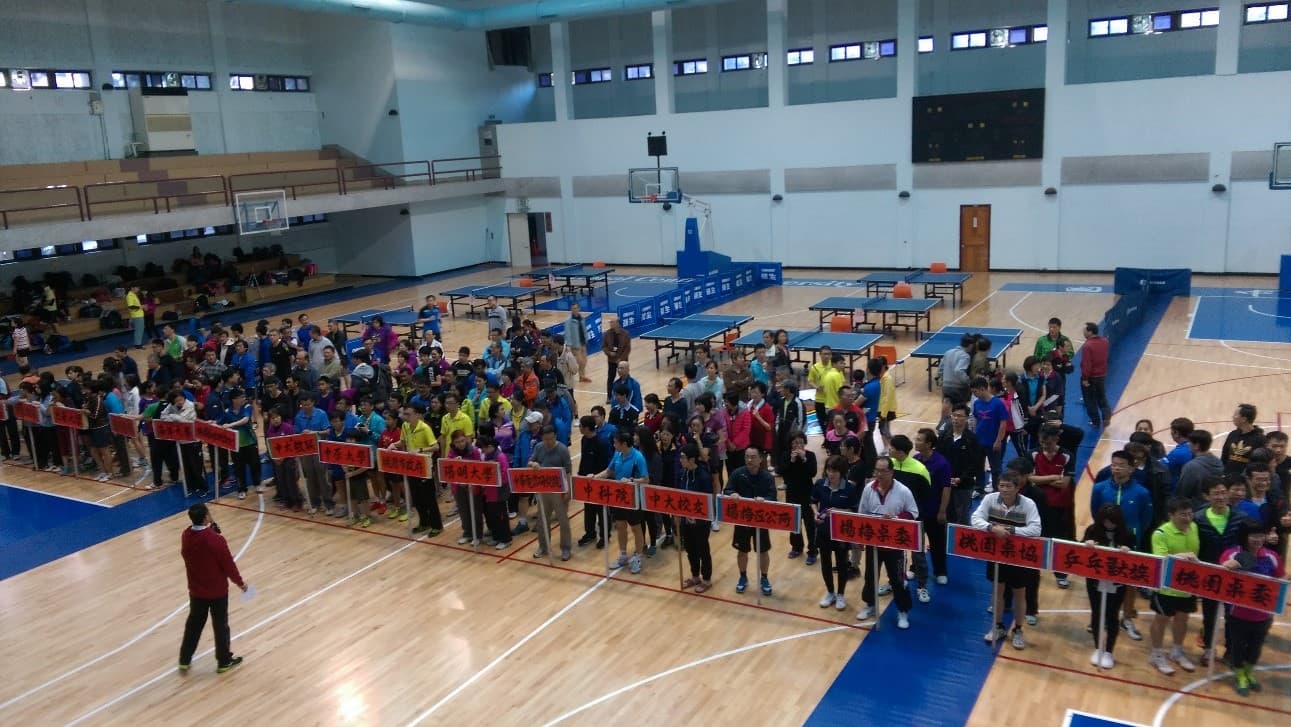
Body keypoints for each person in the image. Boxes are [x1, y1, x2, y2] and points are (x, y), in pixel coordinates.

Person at [973, 469, 1042, 649]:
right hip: (996, 554)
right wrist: (991, 528)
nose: (1004, 489)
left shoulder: (1028, 504)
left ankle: (1018, 629)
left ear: (1017, 488)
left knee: (1019, 593)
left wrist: (1011, 531)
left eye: (1008, 486)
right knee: (998, 591)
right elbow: (975, 518)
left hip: (1018, 556)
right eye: (1001, 485)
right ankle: (997, 626)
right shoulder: (990, 499)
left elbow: (1036, 529)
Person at [178, 503, 248, 674]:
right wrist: (240, 583)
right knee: (220, 626)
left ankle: (184, 659)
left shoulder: (186, 535)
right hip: (217, 591)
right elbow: (228, 565)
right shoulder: (215, 540)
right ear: (205, 517)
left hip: (196, 590)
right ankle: (224, 661)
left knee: (193, 625)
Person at [1219, 521, 1284, 696]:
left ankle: (1249, 672)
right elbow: (1220, 575)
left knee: (1256, 647)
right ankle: (1240, 675)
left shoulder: (1272, 556)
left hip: (1263, 614)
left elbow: (1280, 579)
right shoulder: (1231, 554)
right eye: (1253, 535)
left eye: (1261, 535)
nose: (1258, 539)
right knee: (1238, 646)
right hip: (1237, 613)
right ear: (1244, 536)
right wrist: (1227, 567)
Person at [856, 456, 918, 630]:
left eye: (883, 471)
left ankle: (903, 610)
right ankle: (870, 604)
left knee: (897, 579)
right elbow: (862, 513)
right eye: (877, 470)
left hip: (895, 545)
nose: (879, 474)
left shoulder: (903, 491)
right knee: (870, 576)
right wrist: (860, 540)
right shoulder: (868, 489)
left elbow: (914, 513)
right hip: (874, 543)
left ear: (892, 472)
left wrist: (897, 518)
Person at [1194, 478, 1246, 667]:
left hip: (1234, 576)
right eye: (1216, 493)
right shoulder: (1198, 518)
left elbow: (1248, 548)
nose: (1221, 497)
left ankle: (1231, 650)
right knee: (1209, 614)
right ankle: (1209, 649)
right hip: (1210, 576)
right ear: (1206, 496)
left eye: (1223, 492)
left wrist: (1240, 562)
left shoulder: (1240, 518)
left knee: (1234, 615)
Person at [1148, 497, 1201, 675]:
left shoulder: (1194, 527)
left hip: (1187, 585)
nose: (1187, 518)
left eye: (1190, 514)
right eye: (1182, 515)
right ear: (1171, 515)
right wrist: (1183, 556)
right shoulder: (1160, 533)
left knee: (1183, 618)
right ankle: (1156, 654)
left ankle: (1177, 651)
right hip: (1166, 586)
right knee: (1161, 619)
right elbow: (1161, 558)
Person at [1082, 503, 1136, 669]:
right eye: (1106, 521)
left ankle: (1109, 651)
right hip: (1095, 581)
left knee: (1112, 615)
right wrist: (1086, 544)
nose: (1109, 525)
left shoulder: (1128, 534)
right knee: (1097, 613)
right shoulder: (1092, 530)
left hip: (1117, 583)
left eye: (1113, 521)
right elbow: (1079, 551)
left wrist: (1129, 551)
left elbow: (1138, 557)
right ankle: (1098, 648)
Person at [725, 447, 778, 596]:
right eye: (747, 457)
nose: (749, 460)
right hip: (743, 519)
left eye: (753, 457)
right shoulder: (737, 474)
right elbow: (727, 490)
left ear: (760, 459)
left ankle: (764, 578)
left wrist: (765, 500)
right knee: (742, 550)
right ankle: (743, 577)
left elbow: (773, 497)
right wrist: (732, 493)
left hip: (761, 520)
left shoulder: (767, 477)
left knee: (763, 551)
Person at [597, 430, 650, 574]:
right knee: (620, 526)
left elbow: (646, 479)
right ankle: (623, 555)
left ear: (624, 444)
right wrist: (594, 477)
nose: (614, 445)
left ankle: (638, 557)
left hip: (634, 498)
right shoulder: (617, 454)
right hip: (618, 497)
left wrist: (632, 480)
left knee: (636, 528)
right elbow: (608, 471)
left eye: (616, 443)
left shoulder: (638, 457)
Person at [812, 455, 861, 611]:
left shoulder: (849, 488)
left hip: (841, 533)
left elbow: (854, 510)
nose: (830, 474)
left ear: (842, 472)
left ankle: (840, 594)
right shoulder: (820, 484)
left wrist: (838, 511)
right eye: (828, 470)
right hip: (824, 531)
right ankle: (830, 592)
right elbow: (813, 501)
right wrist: (815, 513)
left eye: (834, 471)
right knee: (825, 563)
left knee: (841, 564)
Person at [1031, 429, 1076, 588]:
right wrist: (1052, 477)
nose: (1045, 446)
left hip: (1060, 505)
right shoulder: (1033, 454)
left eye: (1049, 443)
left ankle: (1061, 574)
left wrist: (1040, 480)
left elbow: (1064, 483)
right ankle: (1033, 570)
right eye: (1042, 442)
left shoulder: (1067, 456)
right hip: (1038, 504)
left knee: (1059, 540)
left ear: (1056, 439)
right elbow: (1030, 478)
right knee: (1036, 537)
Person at [527, 424, 573, 561]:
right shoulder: (539, 447)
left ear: (555, 436)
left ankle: (566, 548)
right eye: (546, 439)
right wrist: (533, 464)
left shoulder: (563, 450)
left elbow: (568, 472)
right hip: (543, 489)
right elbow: (530, 461)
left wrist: (568, 491)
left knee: (563, 521)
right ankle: (543, 546)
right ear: (542, 438)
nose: (549, 442)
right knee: (542, 520)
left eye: (551, 439)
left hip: (559, 490)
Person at [914, 428, 952, 586]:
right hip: (917, 511)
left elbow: (946, 488)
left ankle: (940, 571)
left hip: (934, 510)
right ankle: (915, 567)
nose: (916, 442)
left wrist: (942, 511)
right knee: (916, 542)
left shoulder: (941, 463)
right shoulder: (915, 460)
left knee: (937, 543)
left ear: (929, 444)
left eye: (919, 440)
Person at [678, 443, 715, 592]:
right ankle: (695, 576)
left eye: (683, 457)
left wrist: (698, 517)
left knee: (702, 549)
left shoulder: (704, 477)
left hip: (701, 522)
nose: (681, 460)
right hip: (685, 520)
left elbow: (707, 501)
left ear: (692, 459)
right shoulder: (682, 473)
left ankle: (707, 579)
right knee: (690, 549)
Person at [939, 402, 983, 524]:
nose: (956, 418)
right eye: (954, 415)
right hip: (945, 484)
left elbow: (976, 464)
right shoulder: (944, 436)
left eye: (959, 416)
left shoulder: (972, 439)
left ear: (967, 418)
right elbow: (939, 458)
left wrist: (961, 478)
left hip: (964, 486)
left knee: (962, 517)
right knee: (945, 515)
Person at [781, 431, 819, 564]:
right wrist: (791, 461)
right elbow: (782, 472)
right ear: (790, 444)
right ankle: (796, 547)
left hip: (808, 494)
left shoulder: (810, 455)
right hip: (792, 494)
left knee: (810, 524)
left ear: (805, 443)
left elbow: (812, 472)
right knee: (794, 523)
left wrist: (804, 459)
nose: (798, 446)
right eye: (795, 443)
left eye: (801, 443)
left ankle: (813, 551)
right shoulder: (786, 455)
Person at [970, 376, 1009, 496]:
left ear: (982, 389)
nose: (974, 395)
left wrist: (998, 441)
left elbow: (1003, 424)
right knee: (978, 466)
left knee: (995, 468)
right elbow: (976, 420)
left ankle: (996, 490)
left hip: (993, 442)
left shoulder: (998, 403)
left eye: (975, 392)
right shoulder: (977, 403)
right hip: (979, 441)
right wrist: (974, 437)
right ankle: (978, 488)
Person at [1079, 322, 1111, 429]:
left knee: (1090, 400)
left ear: (1090, 332)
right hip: (1102, 375)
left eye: (1084, 330)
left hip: (1091, 377)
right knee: (1102, 397)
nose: (1083, 332)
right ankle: (1106, 416)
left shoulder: (1087, 346)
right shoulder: (1105, 341)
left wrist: (1085, 378)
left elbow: (1087, 364)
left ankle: (1095, 421)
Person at [1221, 403, 1265, 476]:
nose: (1233, 417)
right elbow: (1224, 456)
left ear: (1244, 419)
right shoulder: (1233, 434)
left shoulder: (1260, 439)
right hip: (1228, 477)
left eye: (1236, 414)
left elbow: (1258, 463)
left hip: (1246, 479)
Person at [602, 315, 631, 402]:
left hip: (622, 362)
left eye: (612, 322)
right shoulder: (607, 334)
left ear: (617, 323)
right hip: (611, 360)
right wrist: (609, 353)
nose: (610, 324)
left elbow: (627, 348)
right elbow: (604, 346)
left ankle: (626, 395)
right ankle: (609, 396)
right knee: (610, 378)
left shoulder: (625, 334)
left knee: (624, 378)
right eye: (610, 322)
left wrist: (621, 359)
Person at [940, 334, 975, 404]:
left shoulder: (948, 352)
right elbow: (958, 371)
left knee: (947, 408)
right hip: (958, 388)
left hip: (945, 387)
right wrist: (968, 381)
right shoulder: (965, 356)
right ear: (971, 345)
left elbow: (940, 369)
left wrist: (944, 381)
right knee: (959, 409)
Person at [125, 284, 145, 349]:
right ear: (132, 288)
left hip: (139, 314)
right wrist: (140, 307)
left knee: (140, 329)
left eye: (138, 288)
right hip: (136, 315)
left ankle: (138, 343)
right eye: (137, 288)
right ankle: (138, 344)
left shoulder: (134, 294)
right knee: (139, 330)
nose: (138, 289)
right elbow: (130, 306)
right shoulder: (129, 295)